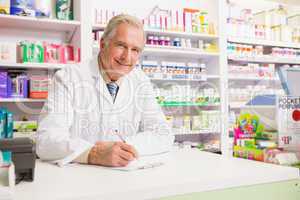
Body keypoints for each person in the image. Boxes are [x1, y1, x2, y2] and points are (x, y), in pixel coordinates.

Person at [36, 14, 174, 167]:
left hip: (126, 176)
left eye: (135, 50)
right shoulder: (68, 77)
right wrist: (94, 153)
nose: (127, 57)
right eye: (121, 45)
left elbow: (164, 134)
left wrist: (123, 147)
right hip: (79, 178)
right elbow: (47, 141)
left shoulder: (140, 80)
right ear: (103, 44)